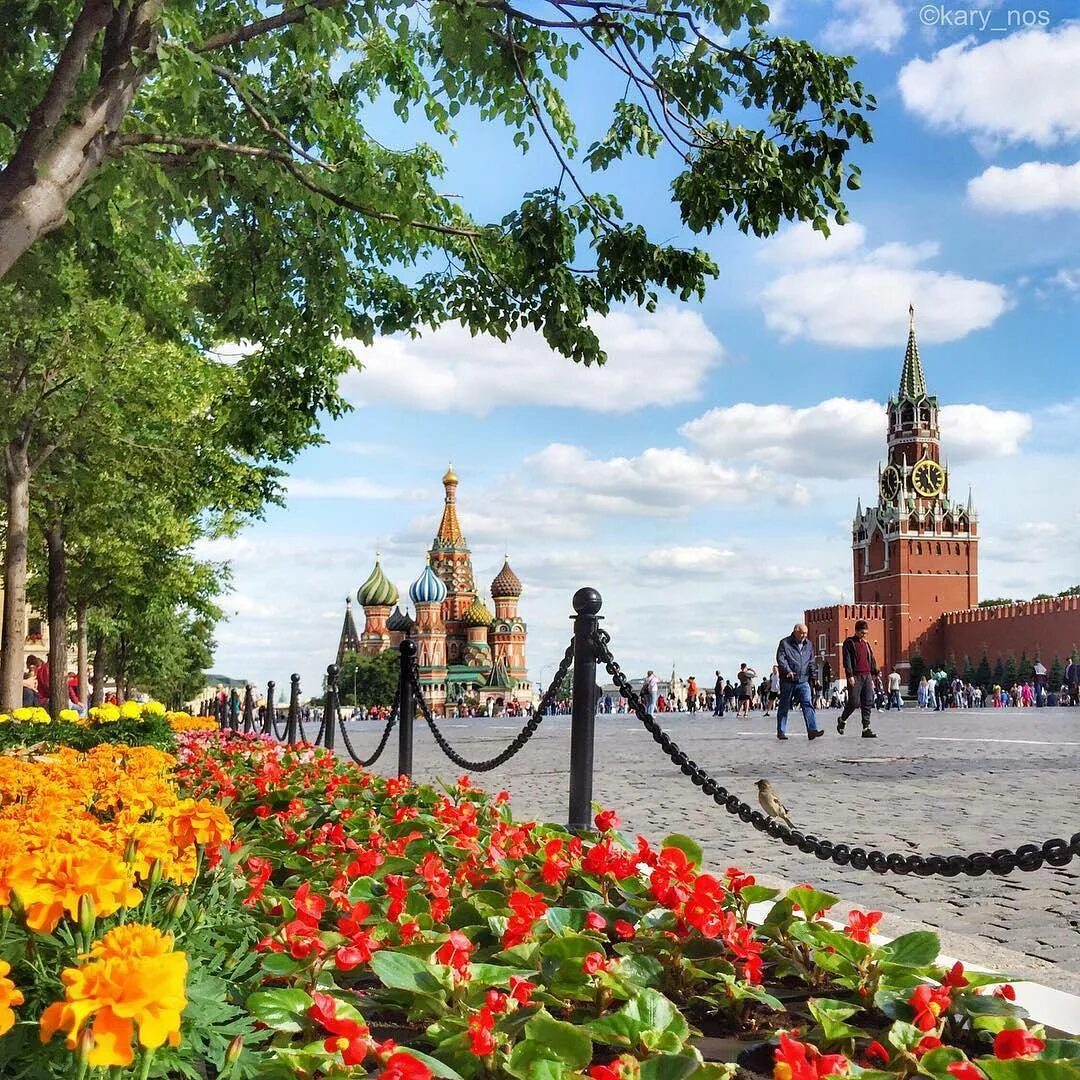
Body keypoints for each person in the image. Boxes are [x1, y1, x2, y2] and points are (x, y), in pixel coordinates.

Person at [774, 623, 823, 741]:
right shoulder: (785, 643)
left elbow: (811, 662)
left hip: (803, 680)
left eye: (806, 633)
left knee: (808, 704)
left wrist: (815, 677)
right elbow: (781, 659)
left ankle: (812, 730)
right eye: (802, 633)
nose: (804, 635)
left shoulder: (809, 645)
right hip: (788, 680)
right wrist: (788, 671)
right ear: (795, 631)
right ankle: (781, 731)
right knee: (784, 705)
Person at [836, 620, 877, 738]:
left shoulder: (866, 644)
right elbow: (847, 660)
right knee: (854, 702)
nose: (864, 635)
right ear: (857, 631)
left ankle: (866, 728)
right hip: (855, 676)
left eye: (866, 633)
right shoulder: (849, 643)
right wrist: (849, 675)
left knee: (868, 701)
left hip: (867, 675)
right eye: (863, 633)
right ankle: (842, 719)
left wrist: (875, 672)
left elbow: (871, 659)